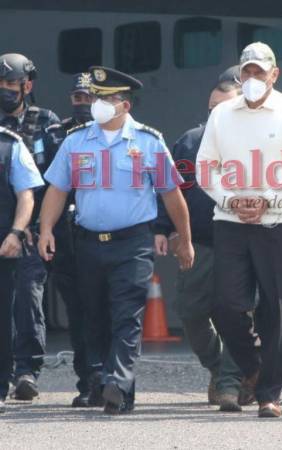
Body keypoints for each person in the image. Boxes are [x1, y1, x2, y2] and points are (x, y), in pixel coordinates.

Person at [38, 66, 194, 415]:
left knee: (127, 314)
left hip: (133, 243)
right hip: (88, 243)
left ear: (124, 105)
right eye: (96, 98)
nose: (97, 104)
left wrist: (184, 238)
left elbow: (172, 196)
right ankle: (119, 391)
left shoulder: (149, 142)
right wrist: (46, 229)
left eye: (106, 99)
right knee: (96, 316)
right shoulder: (76, 141)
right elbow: (58, 189)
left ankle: (116, 381)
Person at [197, 42, 282, 418]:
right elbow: (206, 167)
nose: (252, 79)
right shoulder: (222, 115)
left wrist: (266, 198)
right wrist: (232, 200)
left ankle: (271, 391)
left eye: (258, 72)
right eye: (246, 72)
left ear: (274, 74)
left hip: (280, 223)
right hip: (231, 222)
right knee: (226, 305)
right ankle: (253, 366)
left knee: (280, 308)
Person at [154, 68, 248, 412]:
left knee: (238, 313)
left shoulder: (258, 142)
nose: (216, 115)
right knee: (191, 312)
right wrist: (163, 228)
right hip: (201, 241)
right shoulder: (190, 141)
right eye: (212, 108)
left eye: (224, 107)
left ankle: (228, 384)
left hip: (243, 240)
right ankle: (219, 367)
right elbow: (170, 189)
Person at [45, 72, 110, 407]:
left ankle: (110, 379)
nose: (83, 104)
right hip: (66, 237)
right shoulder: (55, 133)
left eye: (89, 98)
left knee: (107, 308)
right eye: (78, 98)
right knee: (79, 312)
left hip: (101, 232)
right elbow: (47, 185)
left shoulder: (114, 133)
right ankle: (88, 381)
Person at [0, 52, 60, 401]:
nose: (5, 91)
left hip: (34, 229)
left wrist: (45, 227)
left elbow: (56, 179)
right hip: (5, 223)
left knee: (28, 299)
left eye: (11, 85)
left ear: (27, 86)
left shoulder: (46, 121)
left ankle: (27, 369)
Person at [0, 126, 44, 413]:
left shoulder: (8, 145)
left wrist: (16, 232)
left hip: (2, 245)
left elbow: (26, 194)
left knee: (2, 320)